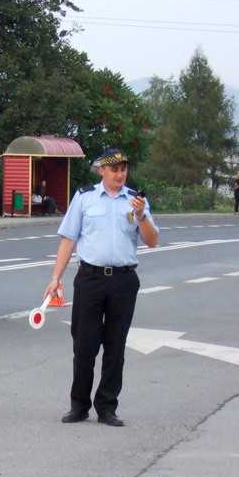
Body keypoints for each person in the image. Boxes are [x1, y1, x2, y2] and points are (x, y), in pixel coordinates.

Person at [43, 148, 159, 427]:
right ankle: (79, 405)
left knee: (115, 345)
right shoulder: (84, 198)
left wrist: (142, 216)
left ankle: (107, 407)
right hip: (90, 278)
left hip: (123, 279)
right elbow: (68, 240)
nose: (120, 174)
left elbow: (152, 241)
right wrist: (55, 278)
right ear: (101, 171)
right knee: (84, 344)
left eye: (123, 169)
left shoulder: (135, 201)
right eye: (114, 169)